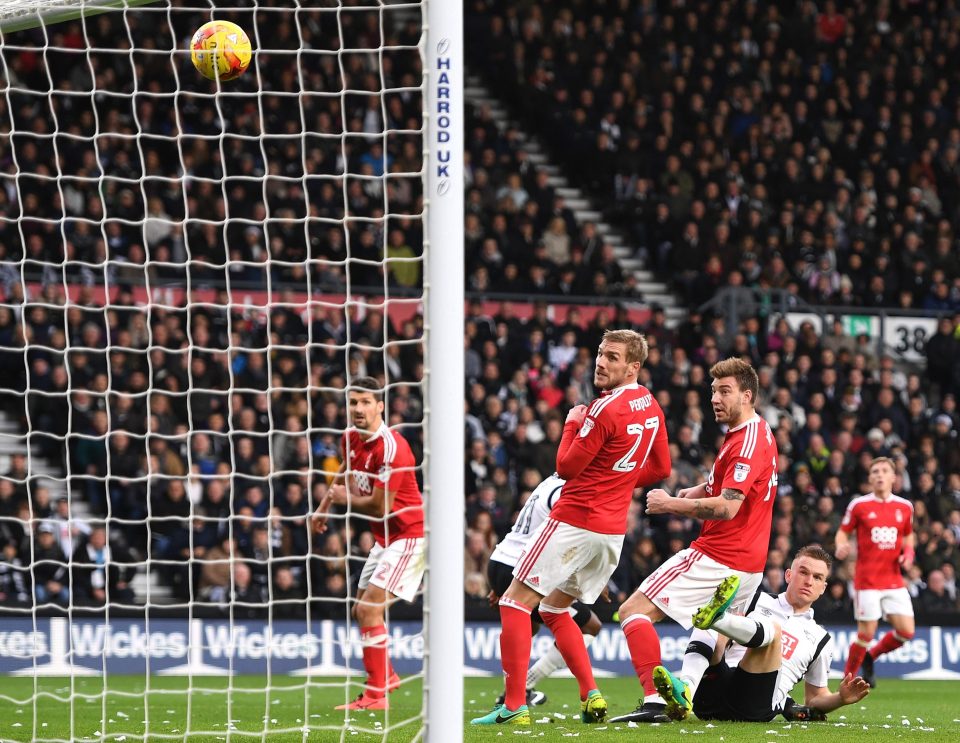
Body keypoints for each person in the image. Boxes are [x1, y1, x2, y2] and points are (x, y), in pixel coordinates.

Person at [471, 329, 671, 726]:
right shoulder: (651, 405)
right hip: (612, 533)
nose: (601, 361)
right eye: (600, 353)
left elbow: (565, 467)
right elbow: (661, 468)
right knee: (553, 608)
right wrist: (617, 482)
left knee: (514, 602)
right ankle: (590, 694)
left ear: (633, 366)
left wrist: (570, 423)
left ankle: (513, 706)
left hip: (575, 521)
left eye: (612, 357)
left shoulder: (602, 408)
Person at [612, 357, 779, 723]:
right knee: (712, 633)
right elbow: (735, 488)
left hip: (719, 554)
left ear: (747, 395)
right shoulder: (756, 431)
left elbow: (728, 508)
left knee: (632, 612)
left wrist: (670, 503)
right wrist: (697, 489)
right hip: (750, 562)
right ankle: (685, 687)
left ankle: (654, 700)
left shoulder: (745, 442)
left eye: (725, 391)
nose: (715, 399)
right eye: (713, 391)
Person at [311, 376, 424, 711]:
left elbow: (380, 506)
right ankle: (385, 676)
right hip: (383, 539)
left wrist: (343, 499)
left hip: (409, 537)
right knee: (360, 610)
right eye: (352, 403)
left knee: (368, 609)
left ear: (380, 406)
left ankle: (376, 697)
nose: (357, 409)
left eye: (364, 402)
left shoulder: (393, 447)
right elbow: (346, 468)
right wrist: (323, 507)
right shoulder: (350, 438)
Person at [686, 545, 870, 722]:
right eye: (803, 572)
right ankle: (686, 688)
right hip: (711, 697)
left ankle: (718, 619)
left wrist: (840, 698)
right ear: (788, 575)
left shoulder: (821, 639)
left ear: (823, 587)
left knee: (773, 632)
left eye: (817, 577)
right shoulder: (755, 599)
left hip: (754, 706)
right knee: (709, 620)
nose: (808, 581)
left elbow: (815, 698)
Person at [486, 473, 604, 707]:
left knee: (528, 625)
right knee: (587, 625)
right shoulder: (568, 490)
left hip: (502, 561)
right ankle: (522, 690)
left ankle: (516, 694)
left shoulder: (548, 483)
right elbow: (563, 539)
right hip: (521, 566)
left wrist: (500, 583)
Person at [835, 456, 915, 688]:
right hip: (867, 580)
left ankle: (871, 656)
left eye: (884, 471)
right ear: (870, 478)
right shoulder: (859, 505)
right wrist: (841, 545)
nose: (879, 475)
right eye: (875, 472)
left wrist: (908, 554)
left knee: (906, 632)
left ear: (893, 477)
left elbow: (908, 535)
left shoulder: (904, 507)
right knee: (865, 635)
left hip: (894, 579)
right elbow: (842, 532)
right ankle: (846, 681)